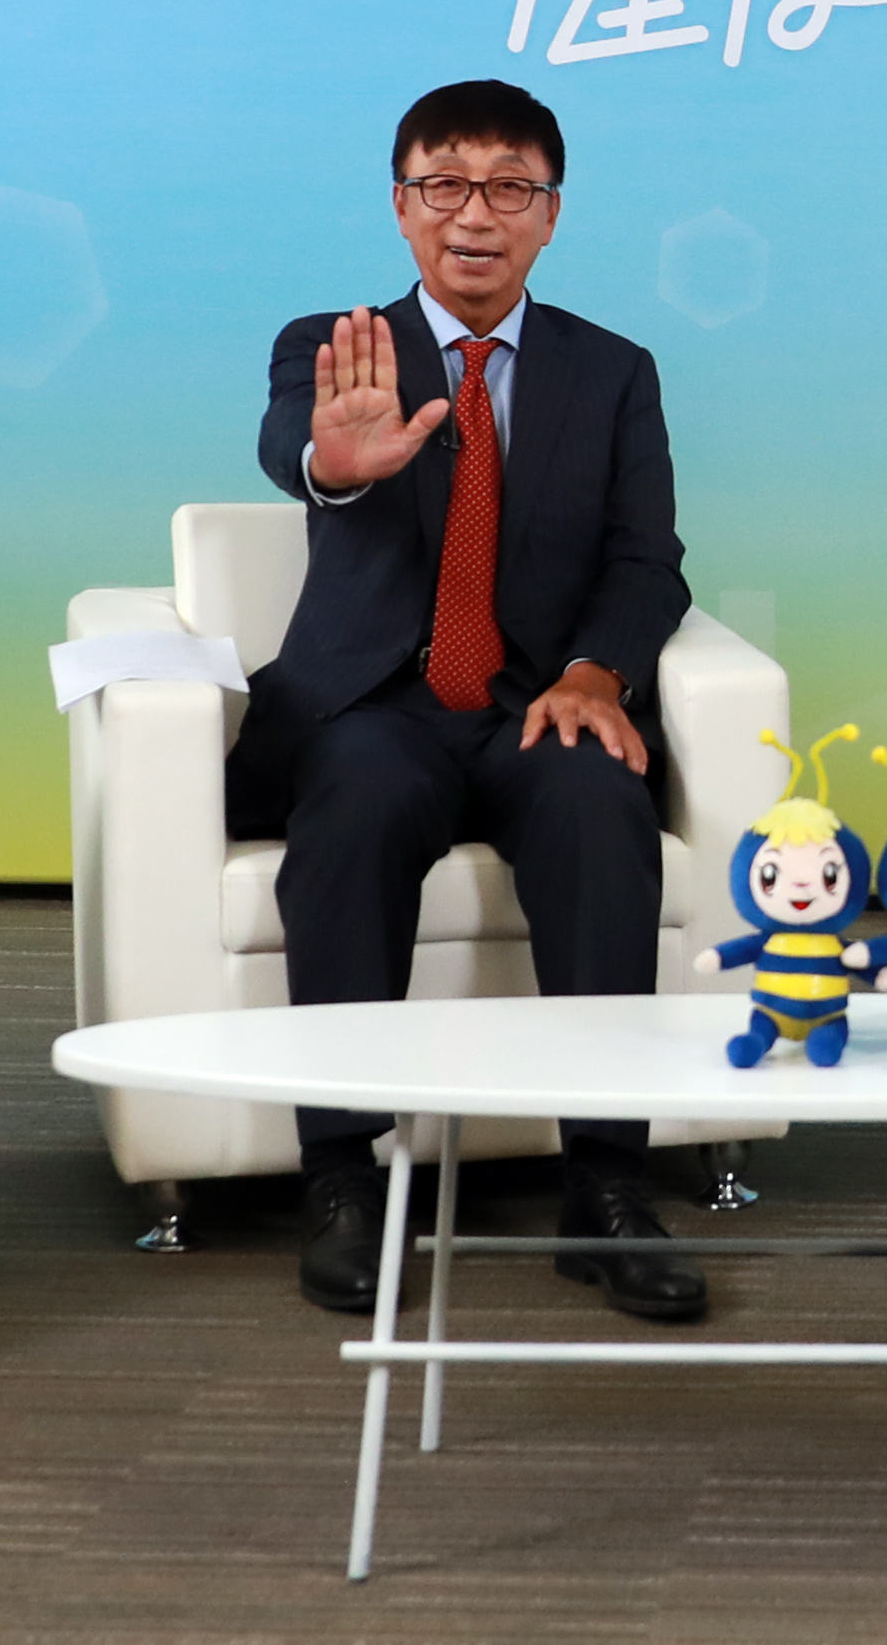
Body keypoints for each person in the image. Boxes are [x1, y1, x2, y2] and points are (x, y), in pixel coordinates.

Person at [226, 80, 704, 1322]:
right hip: (376, 706)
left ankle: (606, 1184)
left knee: (600, 801)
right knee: (360, 799)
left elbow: (647, 559)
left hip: (534, 703)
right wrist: (337, 462)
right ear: (401, 206)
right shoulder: (337, 345)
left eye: (508, 189)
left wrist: (597, 673)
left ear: (550, 213)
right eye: (444, 186)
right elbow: (295, 448)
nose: (474, 216)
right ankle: (343, 1175)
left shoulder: (613, 372)